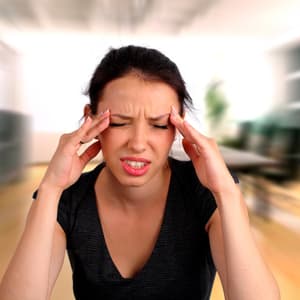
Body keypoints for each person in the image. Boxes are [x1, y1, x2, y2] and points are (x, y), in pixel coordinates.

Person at [0, 45, 280, 300]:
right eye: (120, 123)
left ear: (178, 126)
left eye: (159, 125)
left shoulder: (204, 194)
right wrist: (50, 189)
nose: (137, 143)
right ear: (90, 118)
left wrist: (226, 193)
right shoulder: (69, 199)